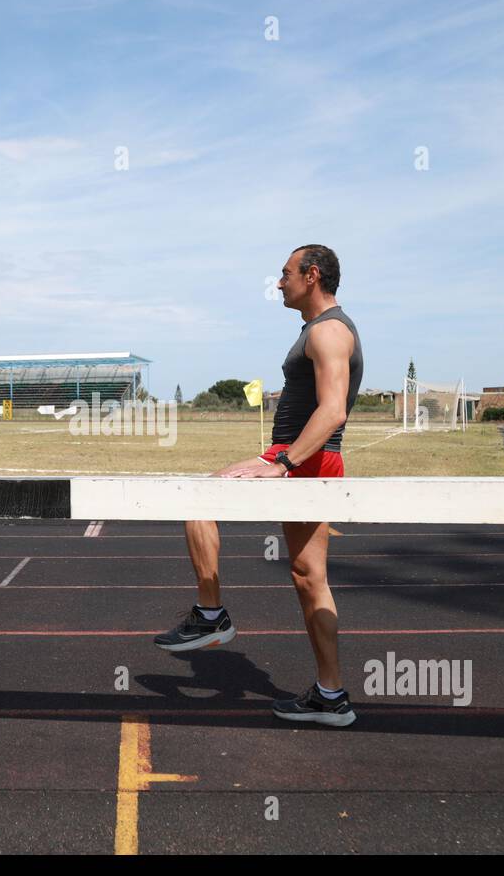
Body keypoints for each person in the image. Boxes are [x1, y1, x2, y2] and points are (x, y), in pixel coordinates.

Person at [153, 244, 363, 727]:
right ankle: (330, 696)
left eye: (286, 273)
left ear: (312, 276)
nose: (278, 282)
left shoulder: (329, 331)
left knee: (199, 498)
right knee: (310, 578)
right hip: (310, 458)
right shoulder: (321, 329)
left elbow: (333, 410)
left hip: (303, 456)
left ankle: (210, 615)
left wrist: (283, 462)